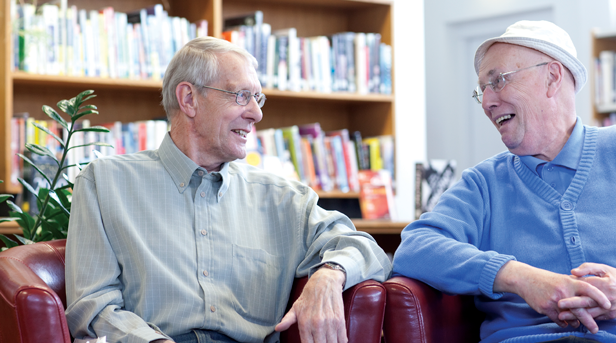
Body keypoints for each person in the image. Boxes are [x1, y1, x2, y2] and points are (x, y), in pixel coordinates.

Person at [392, 20, 616, 343]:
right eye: (482, 90)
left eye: (499, 81)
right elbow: (416, 248)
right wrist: (519, 278)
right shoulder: (484, 183)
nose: (488, 101)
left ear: (552, 77)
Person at [65, 36, 391, 343]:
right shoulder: (105, 183)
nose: (257, 113)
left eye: (258, 97)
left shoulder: (285, 199)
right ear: (189, 99)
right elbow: (92, 308)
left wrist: (329, 274)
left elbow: (365, 247)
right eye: (241, 96)